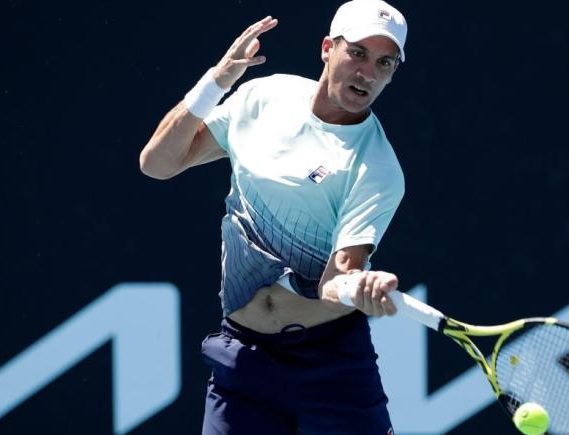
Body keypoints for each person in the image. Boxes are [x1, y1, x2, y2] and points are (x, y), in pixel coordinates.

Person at [139, 0, 407, 433]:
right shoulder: (265, 97)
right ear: (327, 48)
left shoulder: (376, 168)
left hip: (332, 369)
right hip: (243, 356)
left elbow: (334, 278)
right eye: (357, 52)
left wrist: (359, 284)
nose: (367, 73)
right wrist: (217, 81)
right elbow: (158, 164)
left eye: (384, 62)